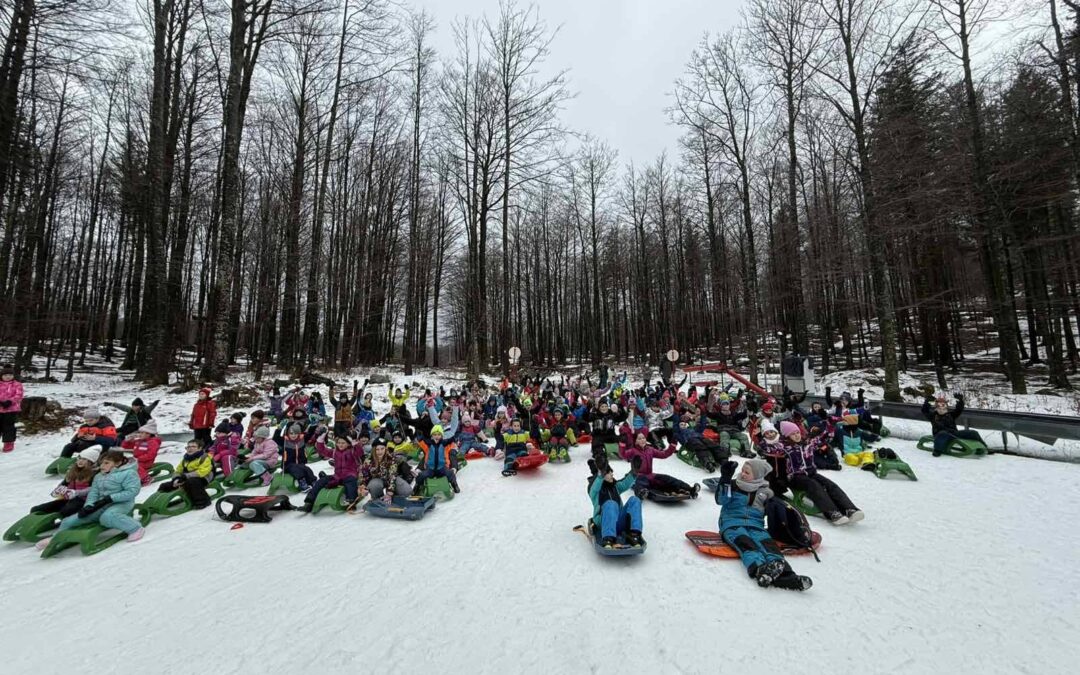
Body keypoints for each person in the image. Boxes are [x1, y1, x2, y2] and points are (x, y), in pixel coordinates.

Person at [715, 459, 812, 591]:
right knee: (746, 544)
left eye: (747, 472)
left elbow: (776, 511)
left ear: (757, 476)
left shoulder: (765, 493)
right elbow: (721, 500)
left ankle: (787, 575)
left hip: (756, 526)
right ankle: (760, 569)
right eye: (742, 471)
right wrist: (725, 478)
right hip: (732, 524)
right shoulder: (733, 486)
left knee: (768, 545)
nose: (742, 474)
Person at [36, 450, 145, 550]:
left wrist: (111, 498)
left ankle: (135, 528)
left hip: (122, 503)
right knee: (70, 520)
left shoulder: (128, 473)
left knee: (107, 517)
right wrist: (88, 505)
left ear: (117, 463)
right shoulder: (99, 476)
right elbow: (94, 492)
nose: (102, 466)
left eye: (106, 463)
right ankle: (55, 538)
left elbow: (132, 491)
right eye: (101, 463)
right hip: (101, 504)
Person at [778, 421, 863, 525]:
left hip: (811, 473)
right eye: (792, 434)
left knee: (830, 484)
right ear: (787, 436)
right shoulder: (784, 447)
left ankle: (850, 509)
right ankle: (832, 512)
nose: (796, 436)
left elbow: (824, 438)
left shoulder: (807, 444)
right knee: (814, 485)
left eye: (797, 433)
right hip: (795, 477)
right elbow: (767, 447)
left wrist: (831, 426)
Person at [586, 451, 644, 548]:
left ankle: (634, 534)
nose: (612, 474)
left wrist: (634, 473)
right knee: (610, 504)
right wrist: (601, 474)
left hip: (619, 521)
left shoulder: (615, 486)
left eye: (611, 472)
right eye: (609, 472)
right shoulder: (595, 491)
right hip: (603, 522)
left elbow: (625, 483)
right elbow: (596, 485)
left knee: (635, 500)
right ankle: (608, 538)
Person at [619, 432, 698, 498]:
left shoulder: (650, 450)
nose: (642, 440)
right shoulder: (633, 451)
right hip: (638, 476)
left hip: (650, 475)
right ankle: (641, 493)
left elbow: (664, 454)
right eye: (639, 439)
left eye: (643, 438)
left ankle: (689, 489)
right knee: (640, 481)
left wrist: (673, 444)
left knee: (667, 478)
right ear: (635, 441)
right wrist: (622, 443)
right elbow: (623, 455)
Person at [31, 446, 100, 518]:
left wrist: (77, 493)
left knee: (65, 511)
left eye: (84, 459)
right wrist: (59, 490)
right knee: (36, 509)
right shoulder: (73, 471)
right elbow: (64, 483)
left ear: (91, 461)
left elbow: (93, 489)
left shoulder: (94, 473)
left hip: (84, 501)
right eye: (79, 458)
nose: (80, 461)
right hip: (69, 499)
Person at [303, 431, 364, 512]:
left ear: (348, 444)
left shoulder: (352, 452)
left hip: (350, 475)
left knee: (351, 482)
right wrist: (321, 439)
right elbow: (322, 450)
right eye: (339, 443)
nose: (340, 445)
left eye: (343, 443)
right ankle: (309, 501)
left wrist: (354, 441)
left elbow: (360, 452)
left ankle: (351, 501)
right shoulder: (335, 452)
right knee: (321, 481)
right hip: (337, 476)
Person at [157, 440, 214, 509]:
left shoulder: (204, 458)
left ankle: (203, 501)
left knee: (192, 482)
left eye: (193, 446)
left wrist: (184, 477)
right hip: (186, 477)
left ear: (200, 448)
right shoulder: (186, 459)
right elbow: (178, 470)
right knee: (164, 485)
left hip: (204, 477)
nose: (190, 448)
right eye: (188, 447)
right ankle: (158, 502)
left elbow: (202, 472)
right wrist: (176, 478)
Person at [415, 425, 461, 494]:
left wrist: (453, 437)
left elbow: (450, 440)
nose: (437, 436)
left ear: (442, 436)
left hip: (441, 468)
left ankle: (454, 484)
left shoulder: (444, 443)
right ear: (432, 436)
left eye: (439, 435)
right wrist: (420, 437)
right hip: (430, 469)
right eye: (435, 435)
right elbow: (422, 441)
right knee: (421, 475)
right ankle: (417, 486)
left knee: (450, 473)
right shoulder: (429, 444)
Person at [119, 420, 162, 486]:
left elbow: (151, 455)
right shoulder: (139, 441)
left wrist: (139, 459)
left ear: (148, 434)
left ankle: (146, 478)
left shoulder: (153, 443)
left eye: (142, 433)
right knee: (124, 464)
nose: (139, 434)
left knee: (135, 466)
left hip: (146, 462)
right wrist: (127, 441)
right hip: (137, 460)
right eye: (139, 432)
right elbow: (124, 446)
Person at [275, 424, 315, 491]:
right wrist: (279, 429)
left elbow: (310, 433)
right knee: (296, 470)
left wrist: (313, 426)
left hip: (300, 463)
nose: (293, 435)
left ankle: (313, 481)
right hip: (287, 465)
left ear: (299, 434)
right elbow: (276, 438)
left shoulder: (302, 440)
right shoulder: (285, 441)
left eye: (295, 433)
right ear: (288, 433)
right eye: (291, 433)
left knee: (307, 469)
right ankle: (302, 482)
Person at [243, 422, 281, 486]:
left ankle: (268, 478)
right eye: (255, 437)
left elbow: (265, 455)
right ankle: (243, 475)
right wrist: (249, 457)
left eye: (257, 437)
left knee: (254, 463)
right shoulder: (258, 443)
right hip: (261, 460)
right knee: (246, 462)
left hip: (270, 461)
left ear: (263, 437)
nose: (255, 439)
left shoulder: (270, 443)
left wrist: (252, 458)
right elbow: (254, 451)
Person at [0, 363, 23, 452]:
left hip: (11, 409)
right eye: (5, 375)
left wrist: (10, 401)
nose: (8, 377)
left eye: (10, 375)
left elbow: (19, 395)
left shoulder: (17, 384)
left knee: (8, 427)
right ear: (2, 376)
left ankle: (8, 443)